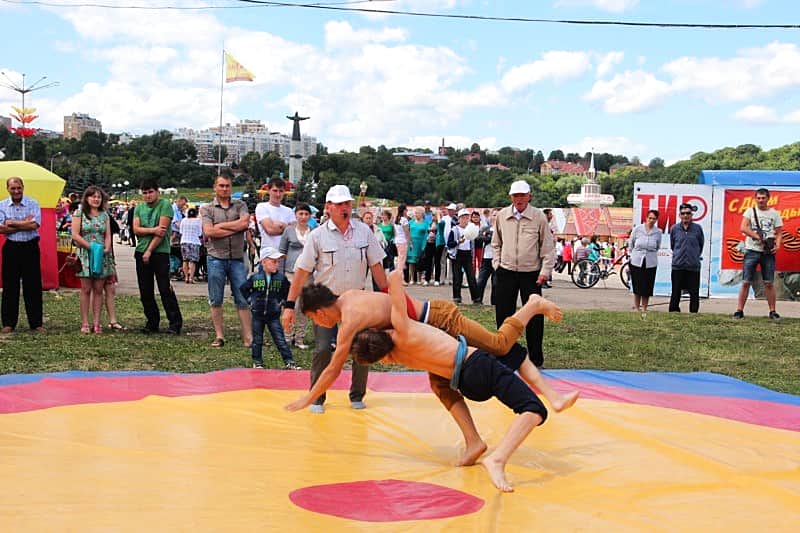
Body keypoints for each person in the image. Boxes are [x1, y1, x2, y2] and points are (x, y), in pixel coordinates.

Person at [288, 269, 576, 493]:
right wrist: (394, 278)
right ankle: (474, 442)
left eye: (315, 320)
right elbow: (390, 293)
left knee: (500, 345)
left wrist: (308, 397)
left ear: (320, 311)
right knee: (441, 385)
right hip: (421, 334)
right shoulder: (350, 296)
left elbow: (333, 369)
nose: (319, 326)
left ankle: (533, 304)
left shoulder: (350, 321)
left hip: (437, 319)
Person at [280, 185, 387, 414]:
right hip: (326, 303)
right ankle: (317, 397)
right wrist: (290, 305)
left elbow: (376, 266)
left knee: (363, 347)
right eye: (338, 204)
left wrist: (388, 298)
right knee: (322, 349)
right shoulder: (317, 235)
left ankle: (357, 394)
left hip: (358, 302)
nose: (344, 208)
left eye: (347, 203)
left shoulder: (364, 232)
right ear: (328, 207)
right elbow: (301, 272)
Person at [492, 180, 554, 367]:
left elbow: (548, 247)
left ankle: (536, 359)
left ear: (529, 196)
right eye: (515, 195)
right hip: (506, 271)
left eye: (522, 195)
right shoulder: (502, 216)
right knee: (504, 315)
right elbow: (496, 243)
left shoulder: (539, 217)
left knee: (534, 317)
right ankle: (505, 355)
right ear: (511, 196)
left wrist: (545, 271)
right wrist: (497, 264)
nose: (519, 199)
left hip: (532, 273)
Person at [201, 175, 252, 347]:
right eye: (221, 185)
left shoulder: (240, 205)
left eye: (227, 186)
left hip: (237, 258)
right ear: (215, 186)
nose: (224, 189)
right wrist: (235, 227)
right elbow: (209, 232)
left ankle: (248, 337)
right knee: (216, 298)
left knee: (243, 298)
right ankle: (219, 335)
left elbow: (245, 223)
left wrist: (221, 227)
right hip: (216, 258)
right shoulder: (207, 208)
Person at [132, 179, 183, 335]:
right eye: (145, 193)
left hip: (160, 252)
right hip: (140, 250)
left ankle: (174, 322)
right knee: (145, 290)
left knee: (164, 288)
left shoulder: (165, 205)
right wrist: (152, 230)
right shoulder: (139, 208)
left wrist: (149, 249)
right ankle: (152, 321)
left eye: (150, 192)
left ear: (157, 191)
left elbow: (162, 232)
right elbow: (136, 229)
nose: (148, 195)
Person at [240, 246, 300, 370]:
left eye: (278, 262)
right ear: (263, 262)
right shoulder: (255, 278)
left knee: (280, 339)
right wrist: (251, 301)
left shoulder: (281, 278)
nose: (277, 264)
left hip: (274, 315)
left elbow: (288, 291)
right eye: (274, 261)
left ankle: (289, 361)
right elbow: (243, 289)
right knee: (257, 340)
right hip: (257, 314)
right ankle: (257, 361)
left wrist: (282, 302)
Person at [0, 177, 43, 333]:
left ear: (23, 187)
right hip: (11, 248)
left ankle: (36, 323)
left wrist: (12, 223)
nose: (16, 191)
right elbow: (1, 229)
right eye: (13, 188)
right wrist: (24, 224)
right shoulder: (2, 205)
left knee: (33, 286)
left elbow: (35, 224)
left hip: (30, 248)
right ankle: (8, 323)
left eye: (19, 188)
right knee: (10, 286)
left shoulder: (33, 203)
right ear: (8, 189)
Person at [733, 188, 784, 321]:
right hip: (751, 250)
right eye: (759, 198)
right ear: (755, 198)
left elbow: (779, 232)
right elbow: (743, 227)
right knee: (746, 282)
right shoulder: (750, 211)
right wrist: (757, 236)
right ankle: (739, 311)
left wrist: (777, 245)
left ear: (768, 198)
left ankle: (773, 311)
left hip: (767, 252)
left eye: (763, 198)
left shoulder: (774, 213)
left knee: (769, 282)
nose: (761, 200)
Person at [71, 186, 114, 334]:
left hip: (101, 254)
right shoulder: (79, 213)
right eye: (93, 197)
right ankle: (85, 322)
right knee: (86, 289)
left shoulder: (105, 215)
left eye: (99, 197)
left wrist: (106, 249)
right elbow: (75, 234)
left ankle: (97, 322)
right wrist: (90, 247)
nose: (96, 199)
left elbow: (108, 235)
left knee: (98, 289)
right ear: (87, 198)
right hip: (85, 254)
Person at [279, 202, 314, 349]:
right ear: (296, 215)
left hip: (308, 273)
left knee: (304, 306)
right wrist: (280, 272)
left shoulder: (314, 231)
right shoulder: (288, 231)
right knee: (290, 304)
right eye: (301, 214)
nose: (303, 217)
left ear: (310, 216)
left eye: (306, 214)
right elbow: (282, 251)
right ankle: (287, 336)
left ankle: (299, 338)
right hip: (291, 272)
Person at [669, 203, 705, 313]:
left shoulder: (698, 229)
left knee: (694, 292)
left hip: (693, 266)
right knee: (676, 291)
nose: (686, 215)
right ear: (679, 215)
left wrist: (693, 257)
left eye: (688, 213)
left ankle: (693, 313)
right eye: (683, 213)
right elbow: (673, 245)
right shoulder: (674, 229)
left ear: (692, 215)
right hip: (678, 266)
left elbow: (700, 245)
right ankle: (674, 311)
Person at [628, 210, 662, 318]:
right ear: (646, 218)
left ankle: (645, 307)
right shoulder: (637, 229)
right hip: (637, 260)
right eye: (650, 218)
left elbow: (657, 246)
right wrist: (633, 254)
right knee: (637, 284)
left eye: (654, 218)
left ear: (656, 220)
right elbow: (631, 244)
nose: (651, 220)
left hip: (650, 261)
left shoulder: (658, 232)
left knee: (647, 285)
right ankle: (636, 307)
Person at [255, 177, 296, 255]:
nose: (278, 194)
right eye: (275, 191)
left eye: (281, 191)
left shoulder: (289, 211)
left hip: (285, 255)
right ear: (268, 190)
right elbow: (270, 230)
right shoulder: (262, 207)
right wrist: (287, 227)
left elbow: (294, 232)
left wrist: (281, 225)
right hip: (268, 255)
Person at [448, 208, 479, 304]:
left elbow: (473, 242)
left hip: (467, 254)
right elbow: (449, 243)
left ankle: (476, 298)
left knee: (471, 276)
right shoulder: (454, 230)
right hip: (457, 255)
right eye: (463, 218)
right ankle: (457, 297)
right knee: (457, 277)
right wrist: (458, 241)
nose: (465, 220)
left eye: (467, 218)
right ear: (459, 219)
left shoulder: (471, 229)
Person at [179, 207, 203, 284]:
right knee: (193, 261)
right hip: (194, 242)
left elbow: (181, 231)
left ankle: (186, 277)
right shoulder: (198, 221)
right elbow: (200, 233)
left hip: (184, 241)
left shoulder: (183, 220)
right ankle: (191, 278)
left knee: (185, 260)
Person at [407, 206, 428, 285]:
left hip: (421, 243)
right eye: (415, 213)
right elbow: (407, 232)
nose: (416, 214)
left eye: (417, 213)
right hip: (412, 243)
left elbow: (426, 234)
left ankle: (419, 278)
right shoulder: (411, 222)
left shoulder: (426, 223)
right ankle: (412, 278)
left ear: (422, 214)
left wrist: (424, 245)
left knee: (420, 261)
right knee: (411, 261)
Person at [394, 204, 411, 283]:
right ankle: (400, 278)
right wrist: (410, 242)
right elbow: (407, 232)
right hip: (403, 241)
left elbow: (395, 231)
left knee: (400, 259)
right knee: (402, 260)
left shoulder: (397, 219)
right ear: (404, 210)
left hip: (397, 240)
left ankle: (399, 277)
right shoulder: (404, 220)